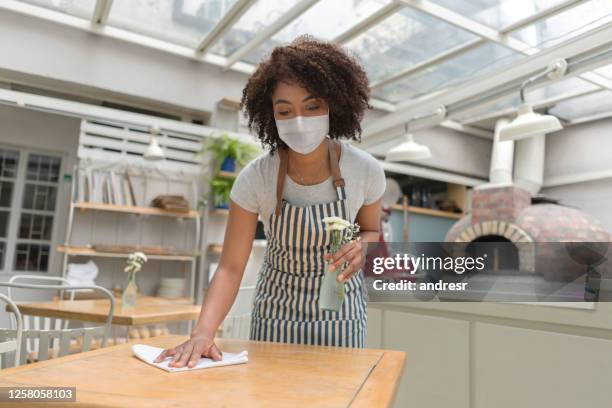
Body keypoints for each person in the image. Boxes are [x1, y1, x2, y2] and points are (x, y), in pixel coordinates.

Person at [155, 36, 386, 368]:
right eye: (285, 111)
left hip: (341, 314)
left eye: (312, 106)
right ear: (271, 115)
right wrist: (203, 333)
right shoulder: (255, 179)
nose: (300, 121)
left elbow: (370, 231)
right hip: (276, 312)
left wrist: (362, 247)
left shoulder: (364, 171)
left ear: (334, 104)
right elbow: (231, 268)